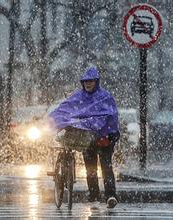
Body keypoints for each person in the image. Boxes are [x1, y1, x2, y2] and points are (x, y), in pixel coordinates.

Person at [48, 66, 120, 208]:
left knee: (106, 166)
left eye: (91, 81)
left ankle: (110, 196)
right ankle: (94, 195)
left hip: (104, 137)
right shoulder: (78, 97)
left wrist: (104, 130)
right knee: (91, 168)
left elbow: (110, 116)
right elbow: (65, 108)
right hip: (86, 137)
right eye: (86, 81)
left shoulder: (104, 96)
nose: (88, 84)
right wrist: (54, 119)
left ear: (96, 81)